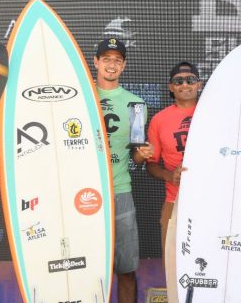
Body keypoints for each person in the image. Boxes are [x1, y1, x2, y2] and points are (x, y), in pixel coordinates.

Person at [94, 37, 153, 303]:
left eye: (117, 60)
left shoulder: (136, 105)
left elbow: (137, 157)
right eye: (106, 58)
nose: (111, 64)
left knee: (126, 269)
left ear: (124, 65)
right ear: (96, 62)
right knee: (86, 267)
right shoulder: (78, 94)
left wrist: (142, 154)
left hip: (120, 191)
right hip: (82, 193)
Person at [146, 62, 201, 269]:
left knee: (209, 265)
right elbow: (151, 166)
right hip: (174, 200)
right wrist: (171, 176)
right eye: (179, 81)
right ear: (171, 87)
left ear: (199, 84)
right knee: (174, 266)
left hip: (211, 201)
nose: (185, 84)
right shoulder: (159, 120)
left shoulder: (215, 114)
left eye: (190, 80)